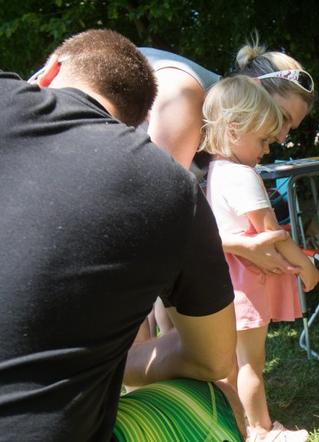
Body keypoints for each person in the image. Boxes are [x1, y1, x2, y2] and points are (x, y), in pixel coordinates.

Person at [0, 29, 242, 440]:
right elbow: (212, 360)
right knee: (214, 402)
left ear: (49, 72)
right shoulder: (171, 186)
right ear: (137, 120)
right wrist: (110, 361)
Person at [138, 37, 317, 335]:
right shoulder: (187, 100)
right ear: (254, 89)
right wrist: (238, 246)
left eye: (290, 128)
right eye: (283, 118)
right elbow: (153, 215)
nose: (282, 137)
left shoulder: (223, 140)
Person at [201, 75, 319, 441]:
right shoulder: (242, 175)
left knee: (232, 365)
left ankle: (235, 426)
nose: (268, 149)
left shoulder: (217, 170)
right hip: (246, 284)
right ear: (236, 129)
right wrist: (308, 268)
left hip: (226, 281)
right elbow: (273, 233)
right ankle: (261, 430)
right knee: (251, 365)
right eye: (264, 140)